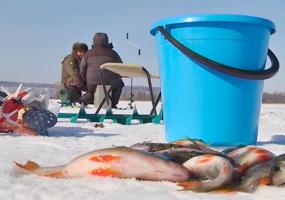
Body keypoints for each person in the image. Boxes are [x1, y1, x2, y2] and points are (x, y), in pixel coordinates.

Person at [80, 32, 124, 108]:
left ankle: (82, 101)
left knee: (92, 90)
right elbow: (121, 68)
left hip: (91, 83)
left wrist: (86, 80)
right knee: (119, 84)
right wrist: (116, 76)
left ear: (94, 41)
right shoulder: (113, 53)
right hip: (109, 82)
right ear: (106, 41)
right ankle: (113, 104)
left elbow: (82, 69)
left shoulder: (87, 54)